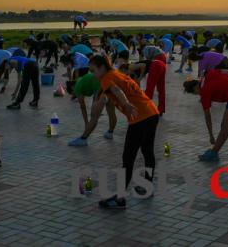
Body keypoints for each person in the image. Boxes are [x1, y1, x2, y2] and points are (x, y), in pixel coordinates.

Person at [72, 55, 160, 210]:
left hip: (139, 117)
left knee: (128, 158)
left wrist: (126, 104)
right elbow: (111, 94)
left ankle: (119, 199)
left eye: (93, 70)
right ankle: (148, 186)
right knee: (147, 151)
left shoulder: (106, 77)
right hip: (152, 112)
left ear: (101, 67)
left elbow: (117, 91)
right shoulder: (116, 73)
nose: (92, 74)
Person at [185, 68, 228, 161]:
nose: (197, 95)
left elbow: (208, 116)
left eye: (194, 93)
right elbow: (227, 71)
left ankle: (213, 153)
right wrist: (225, 84)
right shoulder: (208, 75)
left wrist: (211, 135)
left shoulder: (204, 92)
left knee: (225, 126)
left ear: (195, 87)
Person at [67, 71, 117, 143]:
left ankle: (83, 139)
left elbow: (83, 106)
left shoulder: (77, 87)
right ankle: (110, 133)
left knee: (94, 116)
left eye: (73, 93)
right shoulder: (80, 80)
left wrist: (86, 122)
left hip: (100, 90)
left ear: (72, 88)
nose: (75, 95)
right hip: (108, 85)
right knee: (111, 112)